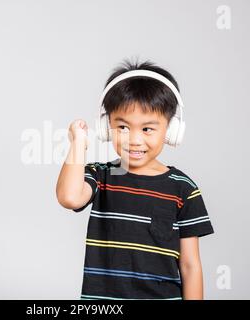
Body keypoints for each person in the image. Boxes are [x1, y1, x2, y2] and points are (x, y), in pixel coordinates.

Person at [56, 59, 214, 300]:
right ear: (106, 127)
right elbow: (69, 198)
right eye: (122, 127)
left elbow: (191, 267)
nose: (134, 140)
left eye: (147, 129)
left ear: (171, 131)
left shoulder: (184, 189)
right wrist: (78, 142)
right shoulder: (101, 176)